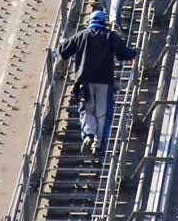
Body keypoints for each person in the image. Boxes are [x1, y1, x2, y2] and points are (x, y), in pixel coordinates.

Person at [57, 11, 137, 156]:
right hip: (104, 81)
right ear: (103, 21)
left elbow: (63, 52)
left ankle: (88, 134)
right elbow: (122, 53)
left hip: (84, 81)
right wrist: (134, 53)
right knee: (103, 113)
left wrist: (62, 43)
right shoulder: (109, 35)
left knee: (87, 110)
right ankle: (99, 144)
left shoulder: (82, 35)